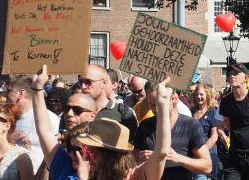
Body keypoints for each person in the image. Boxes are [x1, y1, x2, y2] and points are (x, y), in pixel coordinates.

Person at [32, 65, 172, 180]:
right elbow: (44, 130)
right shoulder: (65, 166)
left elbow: (161, 153)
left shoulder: (128, 176)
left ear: (110, 156)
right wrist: (38, 88)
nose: (76, 155)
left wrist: (163, 105)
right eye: (73, 149)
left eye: (86, 150)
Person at [134, 84, 212, 179]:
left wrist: (178, 158)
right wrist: (139, 157)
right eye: (152, 105)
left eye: (160, 104)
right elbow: (133, 158)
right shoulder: (145, 125)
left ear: (173, 99)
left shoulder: (190, 125)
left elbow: (207, 167)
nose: (157, 109)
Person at [5, 75, 60, 173]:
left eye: (8, 91)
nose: (4, 95)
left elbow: (53, 152)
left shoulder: (49, 118)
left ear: (20, 93)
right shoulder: (7, 117)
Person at [80, 65, 137, 141]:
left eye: (88, 82)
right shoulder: (74, 111)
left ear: (104, 83)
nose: (83, 86)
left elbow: (131, 148)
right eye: (80, 82)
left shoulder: (124, 114)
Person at [190, 83, 220, 180]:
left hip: (209, 154)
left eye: (201, 94)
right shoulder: (191, 111)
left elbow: (214, 136)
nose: (199, 97)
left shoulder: (212, 112)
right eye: (197, 94)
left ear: (207, 95)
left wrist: (201, 152)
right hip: (192, 156)